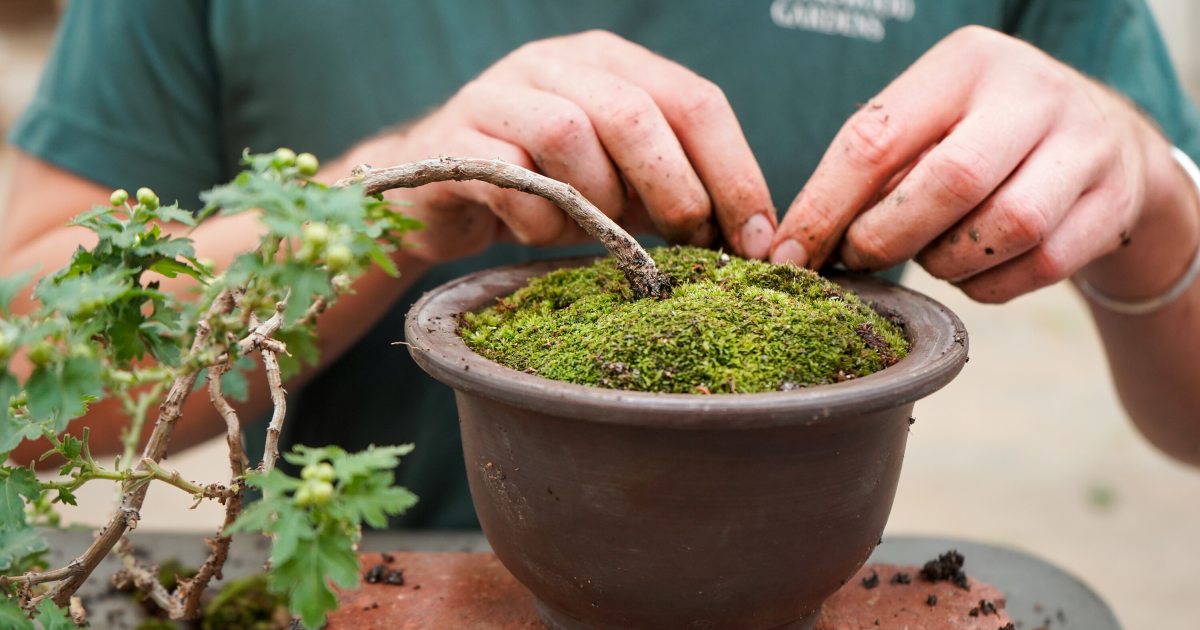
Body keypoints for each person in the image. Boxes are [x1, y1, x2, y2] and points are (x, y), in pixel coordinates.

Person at [2, 0, 1198, 528]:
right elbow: (23, 387)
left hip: (792, 577)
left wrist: (1153, 193)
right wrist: (391, 197)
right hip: (370, 589)